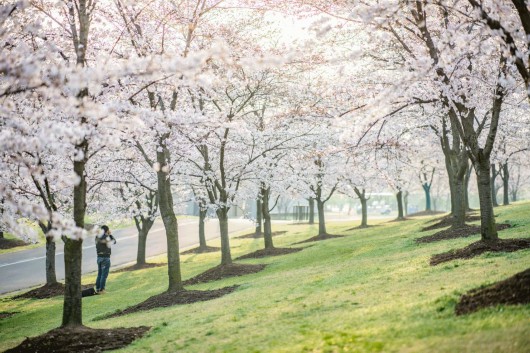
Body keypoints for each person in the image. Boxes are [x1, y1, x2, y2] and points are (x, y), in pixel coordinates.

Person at [95, 225, 116, 294]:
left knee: (99, 274)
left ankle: (98, 289)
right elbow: (114, 242)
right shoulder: (106, 237)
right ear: (107, 230)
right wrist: (110, 234)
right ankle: (102, 290)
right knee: (104, 275)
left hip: (99, 257)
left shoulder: (97, 237)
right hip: (105, 258)